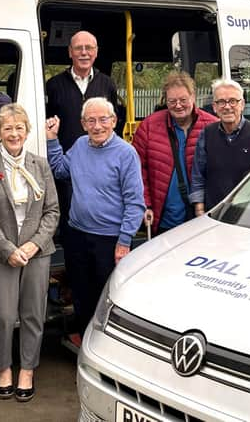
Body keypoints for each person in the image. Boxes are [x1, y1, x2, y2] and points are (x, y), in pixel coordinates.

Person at [0, 104, 59, 403]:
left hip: (37, 251)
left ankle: (27, 369)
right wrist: (8, 249)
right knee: (3, 315)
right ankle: (3, 369)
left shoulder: (40, 165)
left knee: (33, 314)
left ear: (27, 131)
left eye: (19, 128)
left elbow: (52, 211)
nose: (14, 133)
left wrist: (33, 244)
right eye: (7, 128)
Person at [46, 97, 145, 338]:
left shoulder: (126, 153)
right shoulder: (80, 145)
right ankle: (85, 338)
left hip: (109, 239)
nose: (98, 126)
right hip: (77, 235)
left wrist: (124, 242)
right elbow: (60, 169)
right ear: (83, 123)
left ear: (113, 121)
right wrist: (51, 140)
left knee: (106, 295)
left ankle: (105, 343)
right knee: (81, 291)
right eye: (91, 120)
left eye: (103, 119)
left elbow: (135, 203)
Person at [45, 31, 119, 331]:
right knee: (73, 238)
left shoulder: (107, 84)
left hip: (99, 173)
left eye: (89, 47)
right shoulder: (55, 85)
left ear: (96, 52)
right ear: (70, 53)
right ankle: (81, 321)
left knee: (101, 269)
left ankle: (98, 325)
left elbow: (117, 119)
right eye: (79, 48)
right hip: (68, 168)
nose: (84, 52)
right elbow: (49, 125)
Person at [132, 71, 218, 235]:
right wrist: (145, 204)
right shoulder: (149, 126)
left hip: (201, 217)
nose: (178, 105)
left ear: (193, 97)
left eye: (183, 100)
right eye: (172, 101)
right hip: (163, 219)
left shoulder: (212, 126)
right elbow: (137, 171)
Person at [189, 78, 250, 215]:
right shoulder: (206, 135)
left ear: (242, 104)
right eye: (221, 102)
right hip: (214, 214)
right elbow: (198, 175)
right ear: (214, 107)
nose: (227, 106)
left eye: (233, 101)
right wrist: (199, 209)